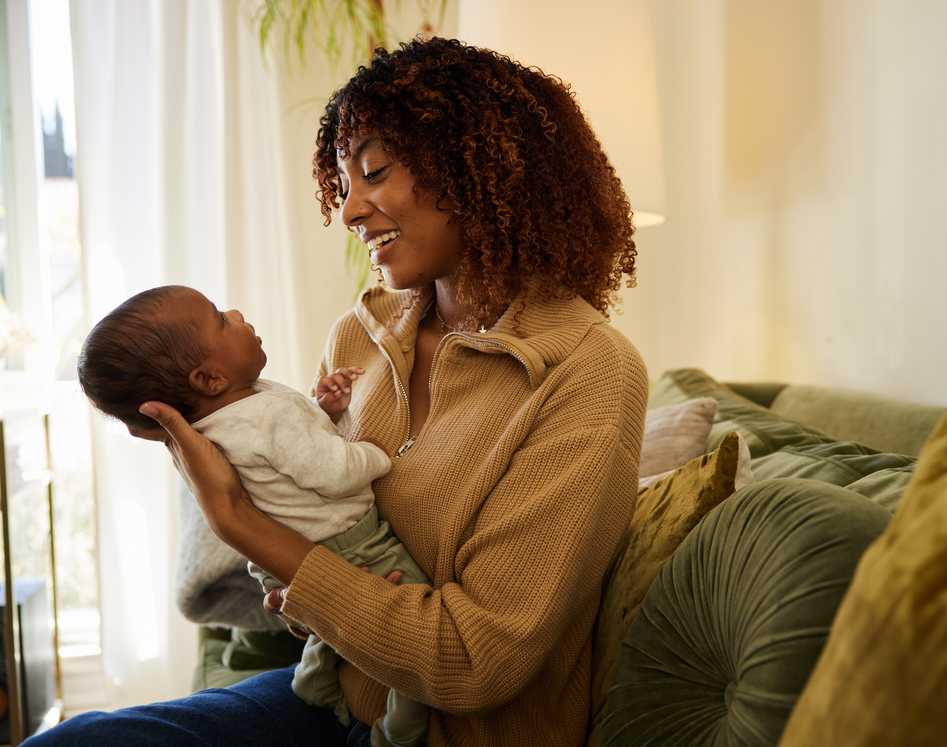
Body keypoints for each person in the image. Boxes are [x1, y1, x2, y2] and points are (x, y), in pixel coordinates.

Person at [28, 35, 647, 746]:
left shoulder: (585, 370)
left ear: (475, 172)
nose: (351, 211)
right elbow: (322, 563)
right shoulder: (363, 333)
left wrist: (239, 522)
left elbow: (475, 662)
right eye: (344, 182)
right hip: (337, 701)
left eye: (374, 172)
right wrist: (297, 581)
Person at [76, 284, 431, 747]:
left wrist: (323, 413)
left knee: (331, 624)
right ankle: (401, 732)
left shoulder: (218, 426)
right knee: (415, 626)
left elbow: (281, 469)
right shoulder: (263, 415)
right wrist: (379, 456)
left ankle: (316, 679)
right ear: (209, 380)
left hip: (280, 560)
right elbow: (331, 471)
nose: (238, 313)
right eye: (221, 319)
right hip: (346, 543)